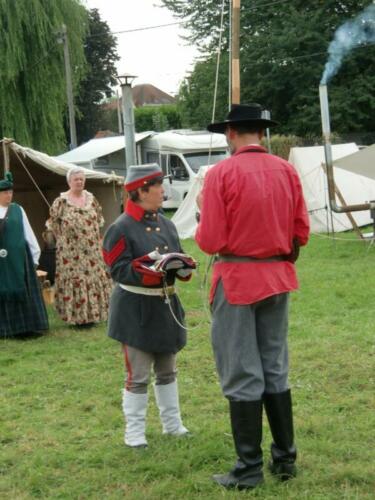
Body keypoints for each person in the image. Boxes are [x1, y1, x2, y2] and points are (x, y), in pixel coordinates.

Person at [195, 104, 310, 489]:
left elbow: (210, 240)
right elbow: (301, 231)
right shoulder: (287, 170)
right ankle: (285, 459)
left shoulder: (221, 174)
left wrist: (200, 213)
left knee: (243, 371)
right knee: (274, 366)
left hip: (239, 279)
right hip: (277, 277)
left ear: (230, 133)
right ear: (261, 132)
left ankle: (248, 469)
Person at [102, 164, 194, 448]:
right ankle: (135, 433)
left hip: (165, 307)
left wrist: (182, 266)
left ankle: (172, 424)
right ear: (141, 191)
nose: (163, 190)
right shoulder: (120, 227)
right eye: (158, 186)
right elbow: (116, 269)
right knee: (138, 374)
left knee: (168, 370)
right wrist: (150, 270)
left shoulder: (166, 223)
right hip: (135, 311)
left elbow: (177, 256)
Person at [46, 167, 111, 327]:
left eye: (82, 179)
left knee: (92, 278)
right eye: (76, 179)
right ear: (69, 182)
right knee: (75, 280)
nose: (79, 182)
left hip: (91, 251)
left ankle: (94, 315)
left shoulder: (91, 199)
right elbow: (52, 225)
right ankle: (76, 318)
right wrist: (67, 238)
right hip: (70, 252)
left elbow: (99, 220)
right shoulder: (61, 202)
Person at [0, 172, 49, 338]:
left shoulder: (18, 210)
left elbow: (28, 233)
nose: (9, 195)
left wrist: (34, 257)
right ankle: (6, 329)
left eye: (10, 192)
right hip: (1, 261)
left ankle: (28, 327)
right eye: (5, 192)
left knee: (24, 290)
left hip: (20, 258)